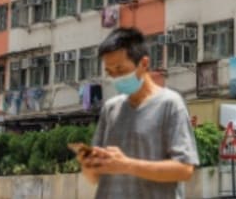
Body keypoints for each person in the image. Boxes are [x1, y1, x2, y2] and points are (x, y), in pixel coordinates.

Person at [77, 27, 199, 199]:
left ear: (143, 64)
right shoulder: (110, 109)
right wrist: (89, 166)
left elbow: (184, 169)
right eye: (110, 72)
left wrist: (127, 165)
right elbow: (95, 177)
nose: (115, 77)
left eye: (120, 69)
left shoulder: (170, 104)